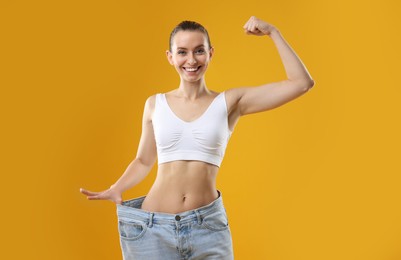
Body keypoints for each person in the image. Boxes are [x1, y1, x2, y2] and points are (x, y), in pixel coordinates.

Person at [80, 16, 314, 260]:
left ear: (211, 54)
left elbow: (301, 83)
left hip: (207, 229)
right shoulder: (154, 104)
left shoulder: (230, 102)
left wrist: (273, 32)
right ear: (170, 57)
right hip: (152, 229)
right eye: (182, 52)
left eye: (199, 51)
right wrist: (118, 187)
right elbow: (143, 161)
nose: (191, 60)